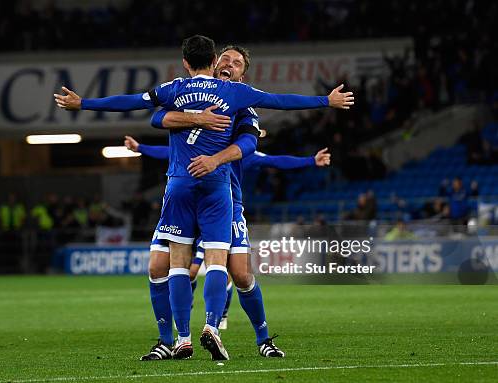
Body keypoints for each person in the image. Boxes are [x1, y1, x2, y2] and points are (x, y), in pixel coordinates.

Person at [55, 35, 352, 360]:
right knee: (163, 266)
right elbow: (156, 118)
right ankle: (176, 338)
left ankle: (257, 337)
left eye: (237, 63)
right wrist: (192, 119)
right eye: (225, 59)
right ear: (213, 63)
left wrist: (215, 155)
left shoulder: (243, 103)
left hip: (222, 193)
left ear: (243, 73)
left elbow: (253, 146)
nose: (229, 64)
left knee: (237, 272)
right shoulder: (199, 93)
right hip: (201, 188)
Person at [125, 132, 330, 358]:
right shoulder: (196, 139)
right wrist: (141, 148)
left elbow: (273, 160)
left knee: (241, 274)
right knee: (157, 267)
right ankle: (169, 341)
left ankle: (262, 339)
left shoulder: (239, 151)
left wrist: (311, 160)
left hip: (224, 209)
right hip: (185, 205)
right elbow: (168, 151)